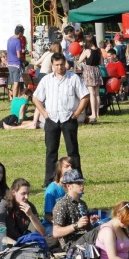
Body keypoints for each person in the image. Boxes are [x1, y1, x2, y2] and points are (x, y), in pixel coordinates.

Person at [33, 52, 90, 187]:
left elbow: (85, 96)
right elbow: (36, 98)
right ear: (52, 65)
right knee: (51, 151)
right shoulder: (46, 80)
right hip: (52, 119)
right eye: (56, 65)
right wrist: (44, 113)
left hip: (68, 118)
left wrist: (76, 114)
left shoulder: (73, 78)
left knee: (73, 151)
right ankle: (49, 180)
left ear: (65, 64)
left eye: (61, 64)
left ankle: (77, 178)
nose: (59, 67)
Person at [52, 169, 100, 249]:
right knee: (104, 231)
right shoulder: (61, 205)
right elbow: (56, 232)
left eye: (82, 183)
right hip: (72, 245)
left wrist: (90, 223)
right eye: (78, 183)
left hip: (85, 239)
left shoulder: (82, 204)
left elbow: (85, 229)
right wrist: (76, 225)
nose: (82, 186)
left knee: (105, 228)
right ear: (68, 186)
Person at [0, 178, 46, 244]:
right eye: (23, 193)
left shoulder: (29, 207)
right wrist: (17, 244)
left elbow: (43, 233)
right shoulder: (3, 207)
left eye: (28, 193)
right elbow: (0, 235)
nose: (26, 197)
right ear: (14, 192)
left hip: (22, 240)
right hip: (8, 241)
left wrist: (31, 215)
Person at [42, 157, 71, 236]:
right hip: (51, 226)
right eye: (67, 166)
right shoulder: (52, 190)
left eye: (72, 166)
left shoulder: (73, 187)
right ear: (60, 169)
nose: (70, 168)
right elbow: (47, 216)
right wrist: (61, 224)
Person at [77, 35, 103, 124]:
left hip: (89, 71)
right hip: (97, 70)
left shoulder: (87, 51)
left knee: (91, 93)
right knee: (97, 94)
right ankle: (97, 113)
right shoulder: (99, 50)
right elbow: (101, 62)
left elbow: (79, 60)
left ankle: (93, 114)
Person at [7, 25, 25, 98]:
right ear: (20, 33)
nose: (22, 35)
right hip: (16, 64)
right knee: (16, 83)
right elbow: (18, 56)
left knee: (14, 83)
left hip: (10, 64)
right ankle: (14, 99)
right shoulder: (18, 41)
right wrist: (23, 59)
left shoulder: (9, 39)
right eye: (22, 33)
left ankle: (14, 96)